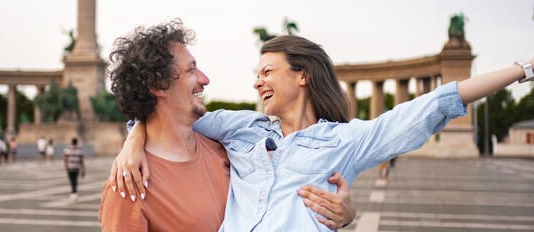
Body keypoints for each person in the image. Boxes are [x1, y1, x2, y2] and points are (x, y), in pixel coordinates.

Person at [114, 26, 534, 231]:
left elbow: (438, 102)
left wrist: (529, 66)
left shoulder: (348, 141)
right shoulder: (239, 127)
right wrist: (133, 139)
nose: (255, 80)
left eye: (267, 70)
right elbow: (168, 113)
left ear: (301, 74)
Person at [100, 20, 354, 231]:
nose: (205, 79)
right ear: (157, 86)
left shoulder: (228, 149)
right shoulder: (127, 185)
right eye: (191, 70)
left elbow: (287, 194)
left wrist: (342, 212)